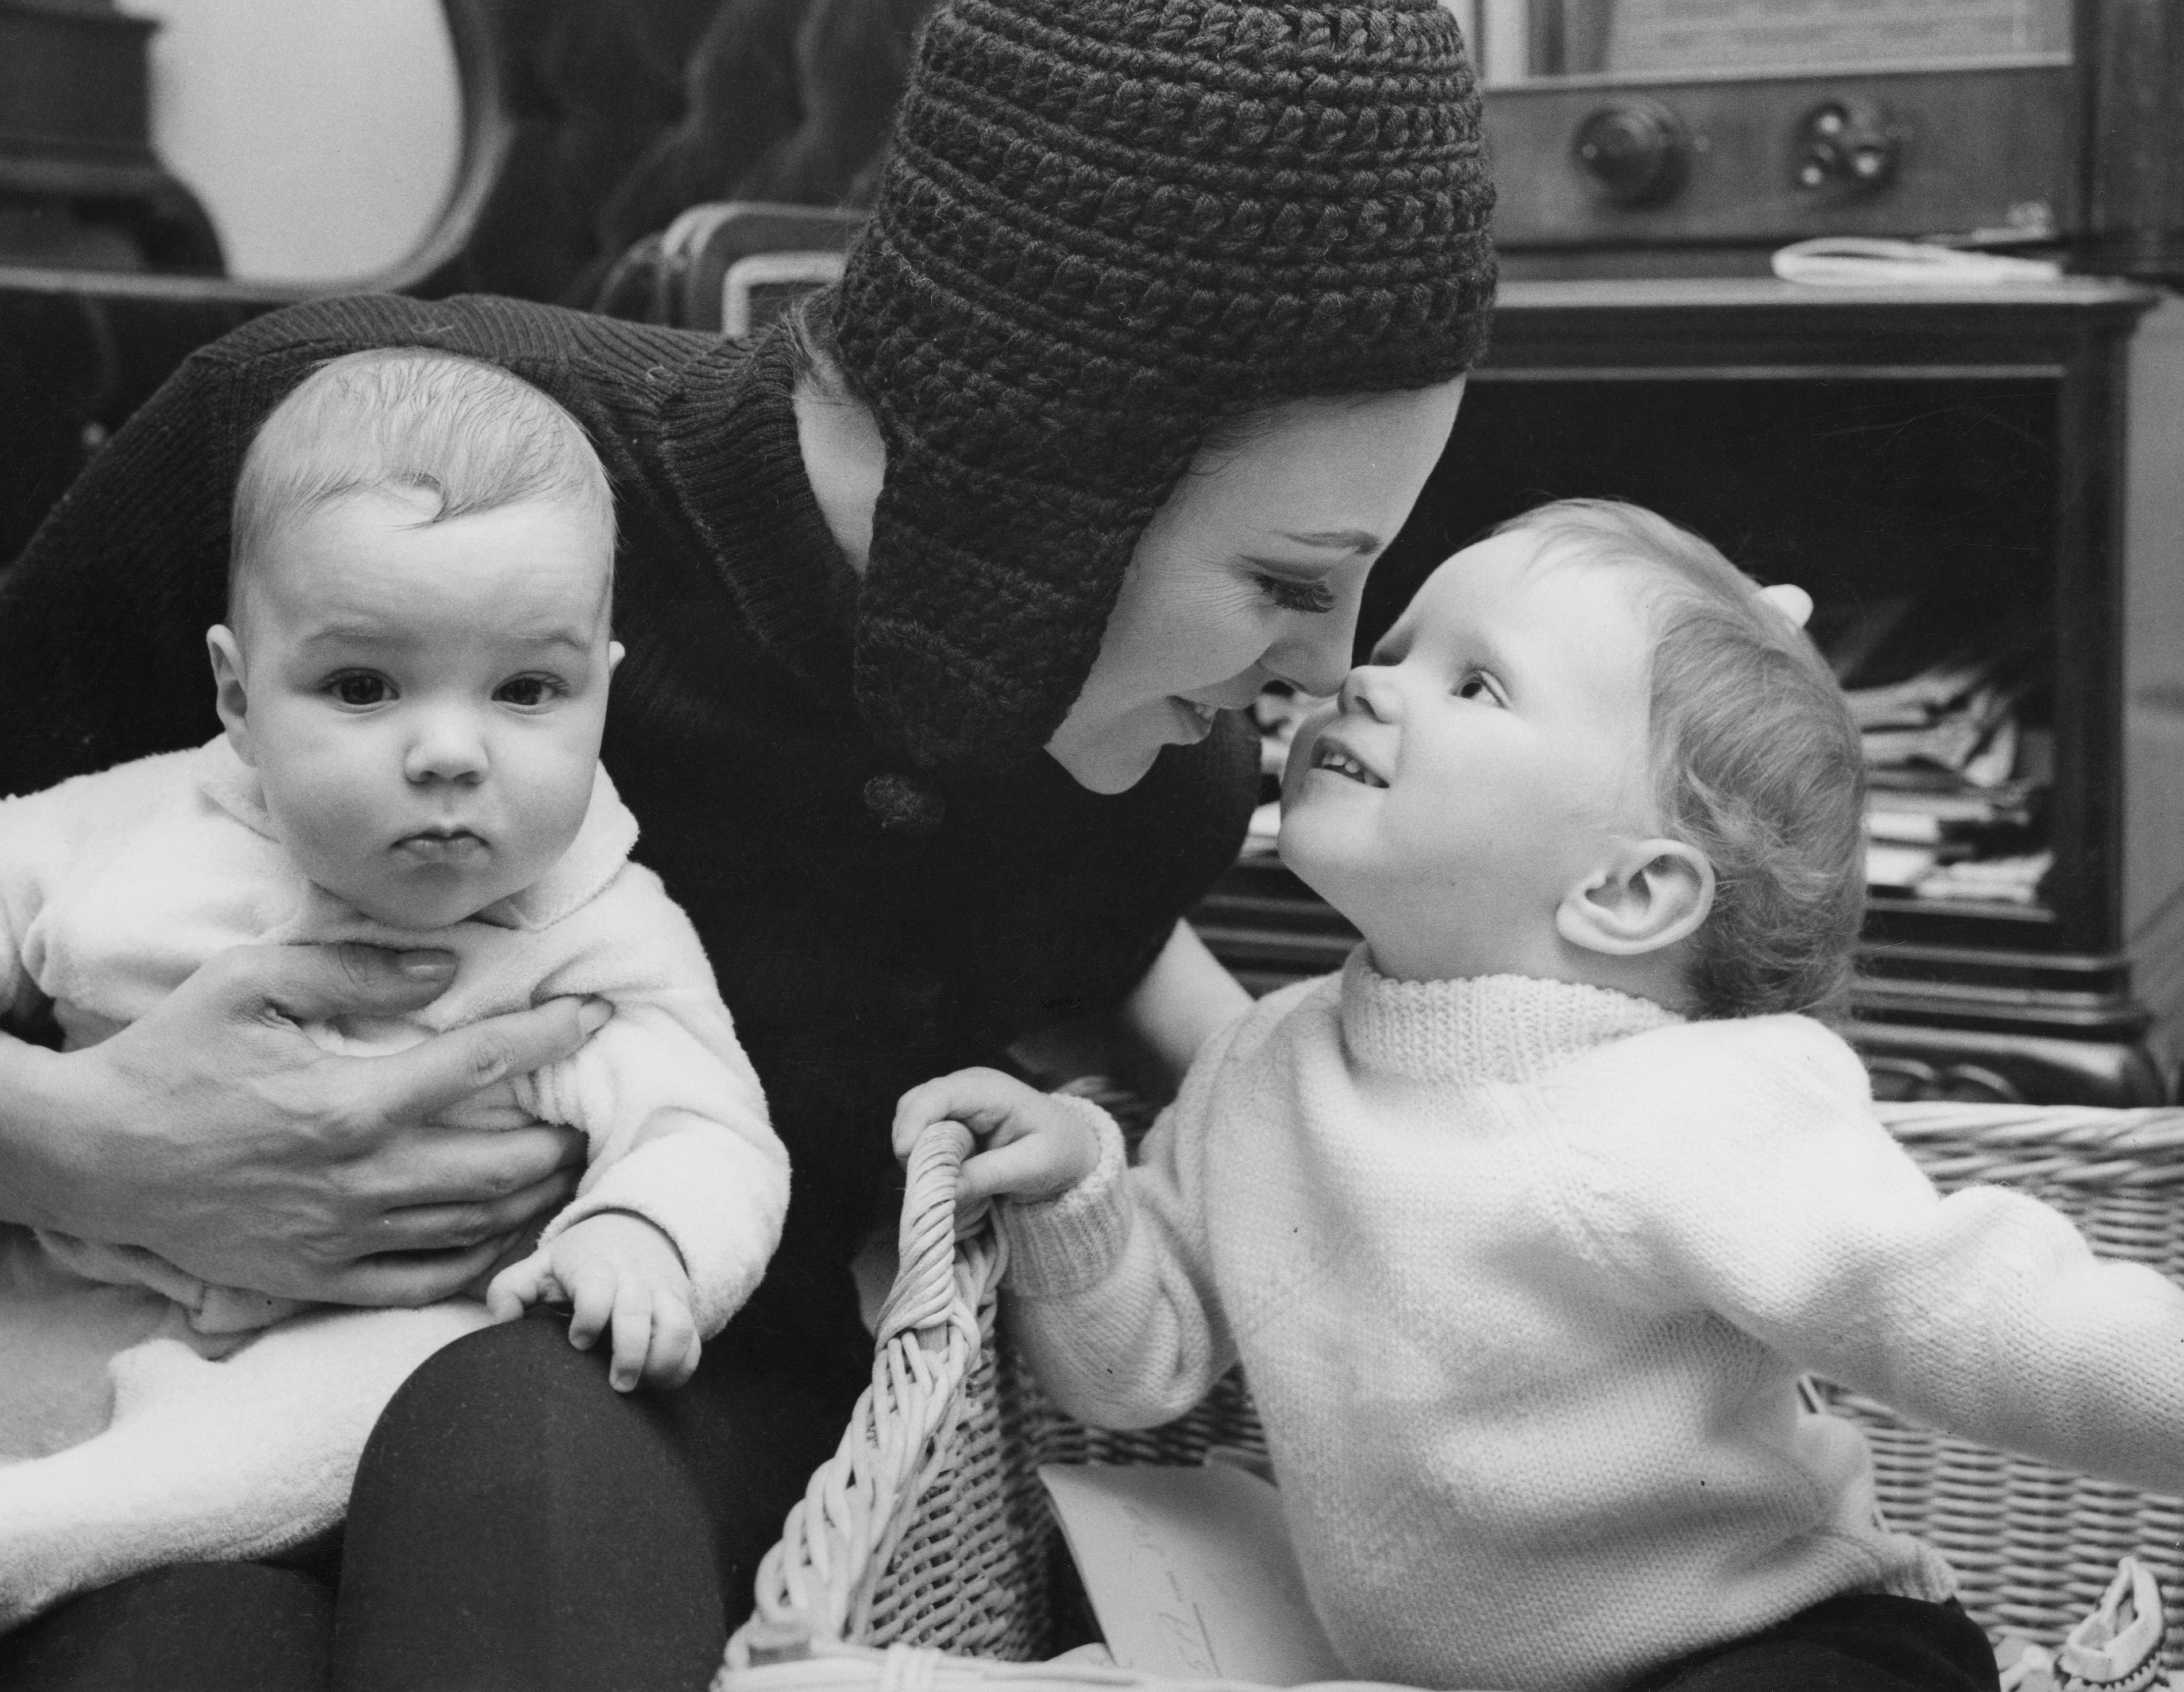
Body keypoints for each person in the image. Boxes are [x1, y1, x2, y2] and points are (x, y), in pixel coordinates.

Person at [0, 0, 1497, 1692]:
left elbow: (1236, 1061)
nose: (1321, 665)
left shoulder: (1140, 773)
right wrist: (108, 1151)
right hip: (154, 1348)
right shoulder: (332, 471)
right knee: (175, 1628)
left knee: (520, 1442)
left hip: (649, 1386)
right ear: (1053, 474)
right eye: (1290, 577)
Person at [897, 499, 2184, 1692]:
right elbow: (1139, 1370)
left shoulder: (1690, 1098)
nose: (1363, 677)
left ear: (1627, 894)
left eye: (1473, 682)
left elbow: (1952, 1300)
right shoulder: (1264, 1067)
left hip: (1786, 1639)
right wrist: (1079, 1189)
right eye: (1395, 647)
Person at [0, 350, 786, 1692]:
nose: (450, 751)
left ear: (602, 692)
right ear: (236, 690)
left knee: (403, 1394)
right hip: (100, 1290)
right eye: (363, 687)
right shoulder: (148, 819)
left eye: (525, 691)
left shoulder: (599, 931)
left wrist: (643, 1233)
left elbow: (710, 1124)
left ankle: (31, 1535)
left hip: (374, 1351)